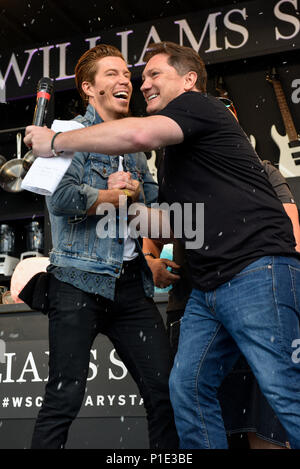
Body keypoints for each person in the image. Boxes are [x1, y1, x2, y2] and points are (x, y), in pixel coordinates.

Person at [24, 41, 300, 449]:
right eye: (127, 75)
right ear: (88, 87)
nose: (138, 82)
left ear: (188, 80)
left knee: (276, 390)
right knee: (180, 392)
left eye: (150, 74)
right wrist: (115, 199)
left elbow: (139, 146)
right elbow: (173, 223)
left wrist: (63, 147)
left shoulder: (193, 108)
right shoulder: (161, 150)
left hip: (241, 274)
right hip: (156, 285)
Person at [26, 44, 178, 449]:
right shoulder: (64, 133)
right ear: (89, 88)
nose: (125, 80)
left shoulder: (136, 147)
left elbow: (155, 211)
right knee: (64, 399)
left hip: (131, 287)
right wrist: (113, 198)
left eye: (127, 74)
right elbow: (59, 200)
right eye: (112, 74)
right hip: (77, 282)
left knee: (167, 395)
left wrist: (144, 209)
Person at [143, 156, 300, 449]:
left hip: (253, 296)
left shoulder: (260, 170)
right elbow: (153, 231)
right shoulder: (181, 173)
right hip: (195, 301)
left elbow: (292, 236)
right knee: (187, 394)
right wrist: (149, 260)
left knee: (271, 413)